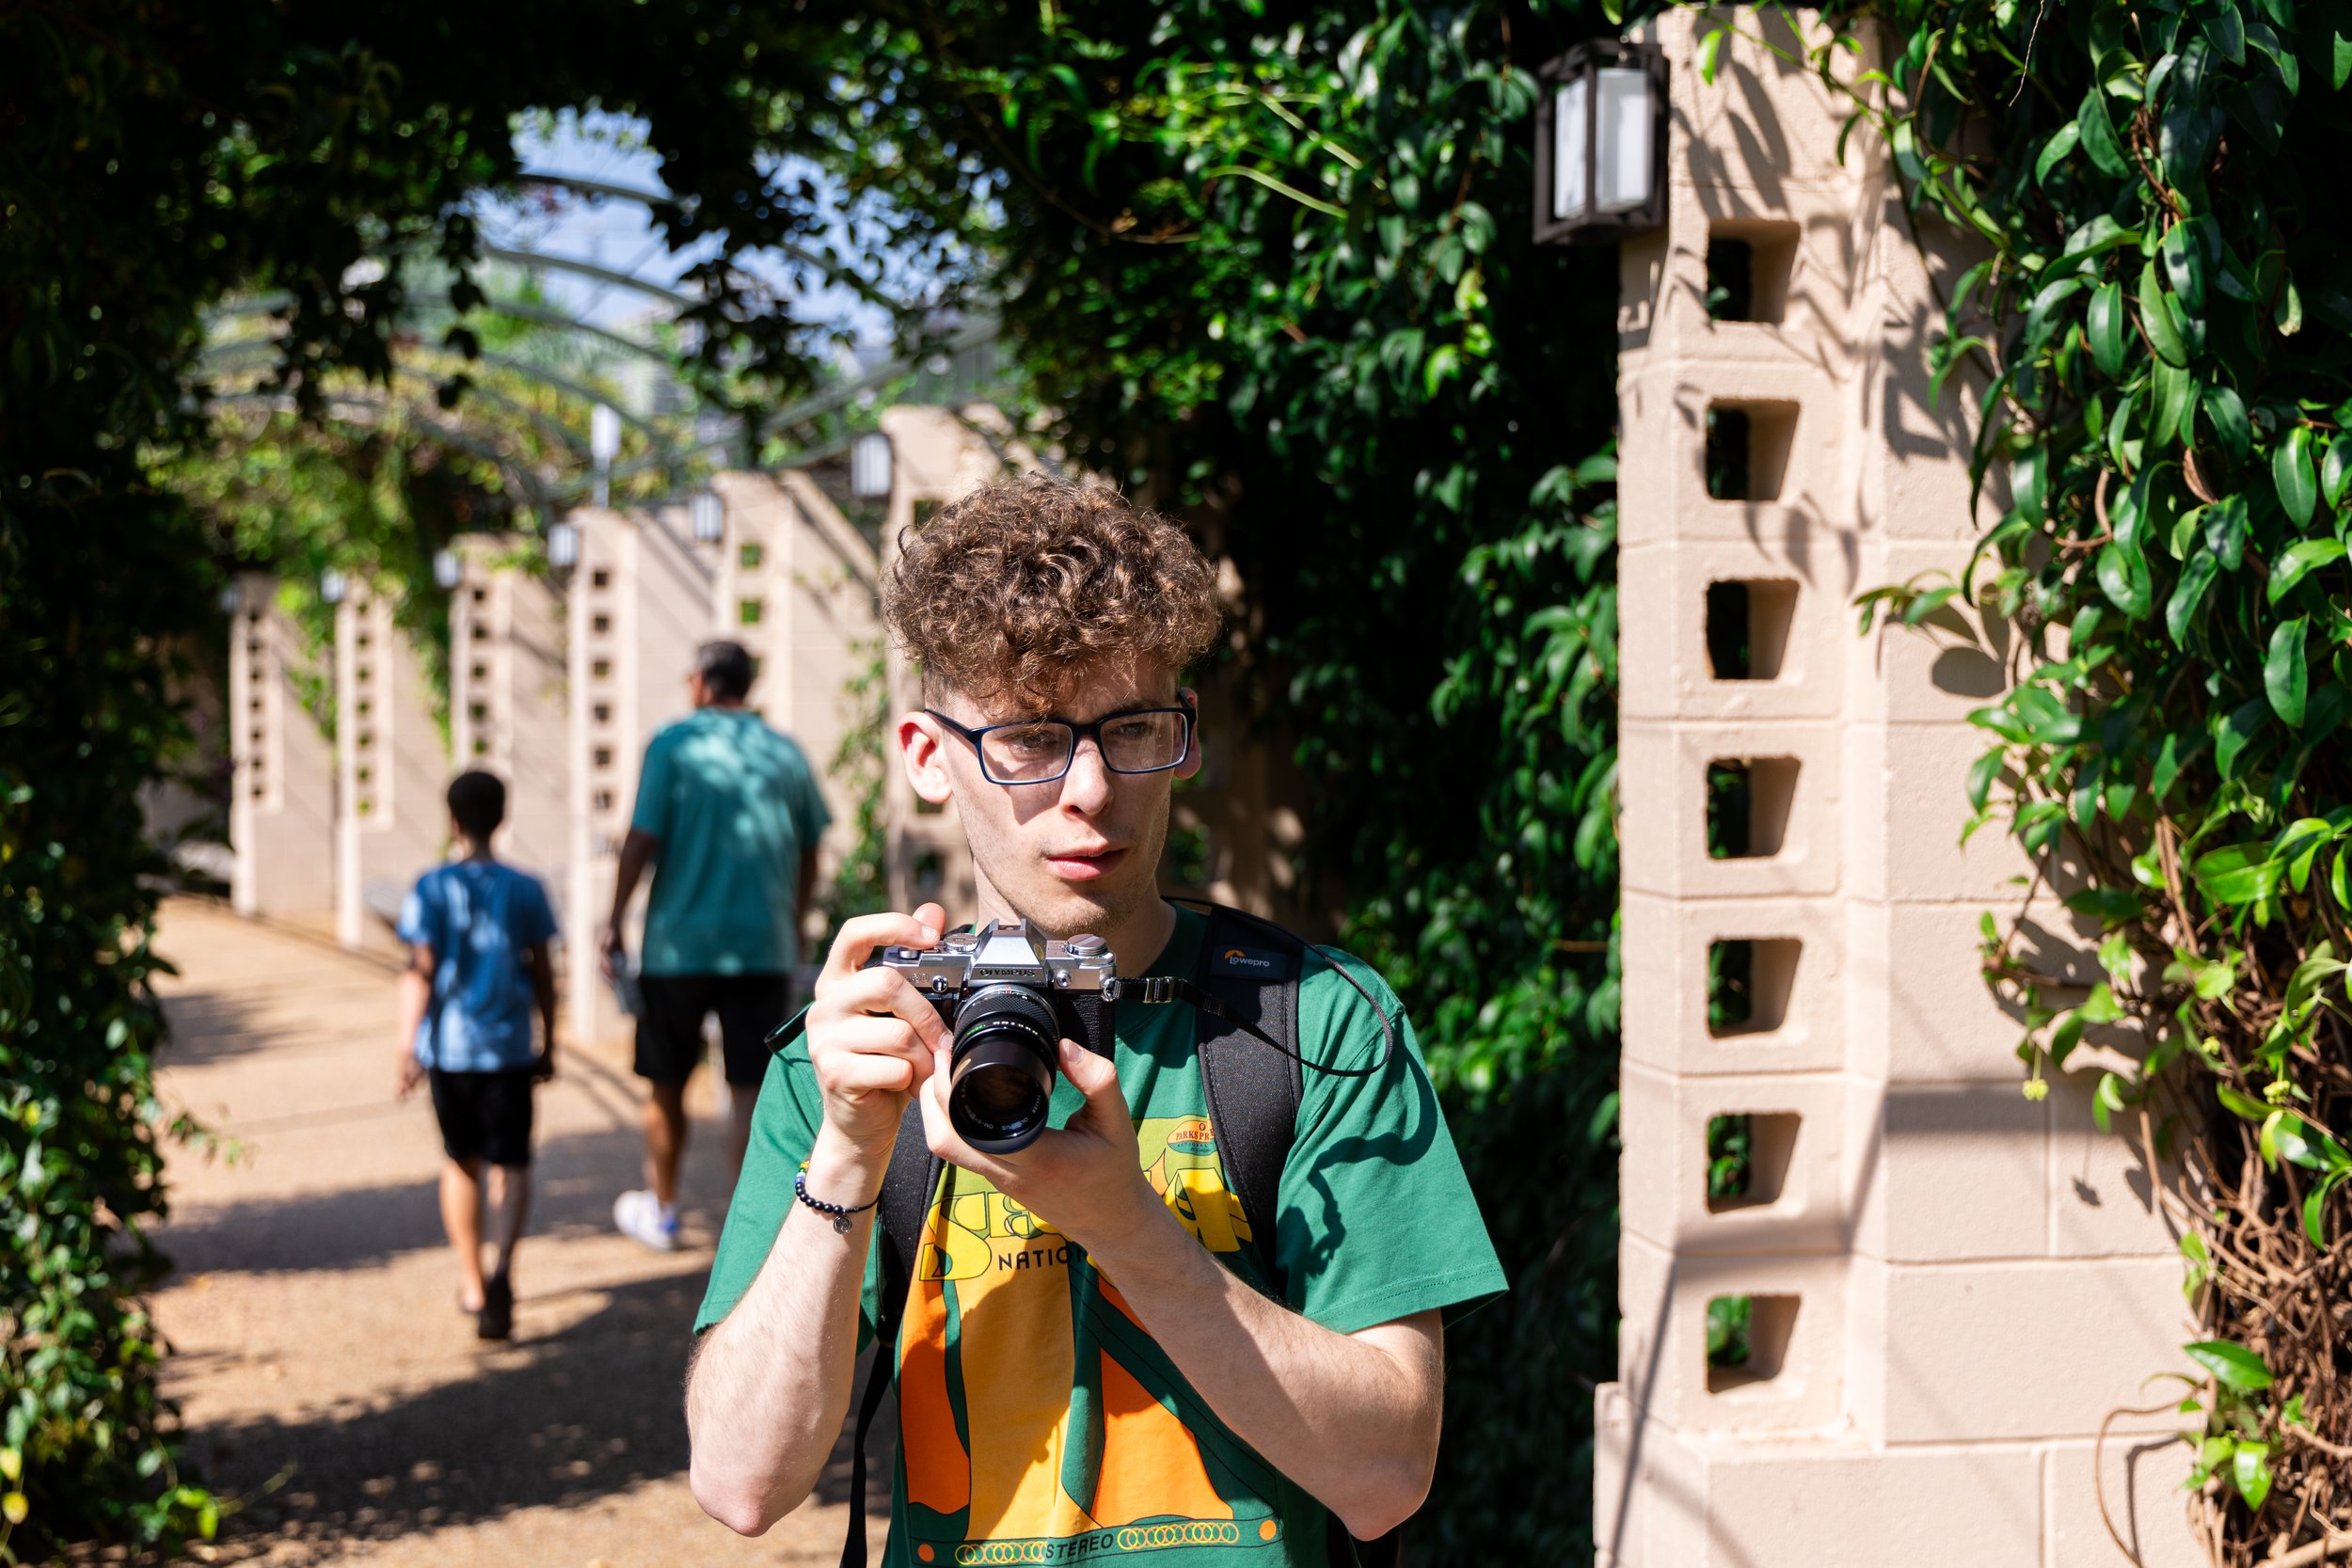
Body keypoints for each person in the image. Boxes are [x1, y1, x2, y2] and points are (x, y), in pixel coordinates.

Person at [682, 477, 1505, 1566]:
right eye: (1026, 738)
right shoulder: (855, 1056)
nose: (1089, 786)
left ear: (1187, 737)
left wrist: (1128, 1226)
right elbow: (742, 1480)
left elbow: (1386, 1474)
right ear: (929, 756)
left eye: (1131, 728)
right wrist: (844, 1151)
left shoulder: (1311, 1025)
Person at [601, 639, 831, 1251]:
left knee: (666, 1081)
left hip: (677, 948)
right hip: (762, 945)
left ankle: (666, 1211)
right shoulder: (783, 751)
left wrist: (613, 918)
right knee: (751, 1091)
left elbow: (642, 837)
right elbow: (812, 846)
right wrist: (796, 911)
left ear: (701, 682)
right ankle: (747, 1229)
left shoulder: (674, 744)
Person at [392, 770, 559, 1342]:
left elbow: (421, 970)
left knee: (460, 1159)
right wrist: (550, 1041)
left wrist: (407, 1047)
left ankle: (472, 1283)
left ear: (454, 820)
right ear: (502, 817)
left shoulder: (431, 888)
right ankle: (504, 1269)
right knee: (513, 1164)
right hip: (510, 1049)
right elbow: (543, 973)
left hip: (451, 1050)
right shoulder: (526, 889)